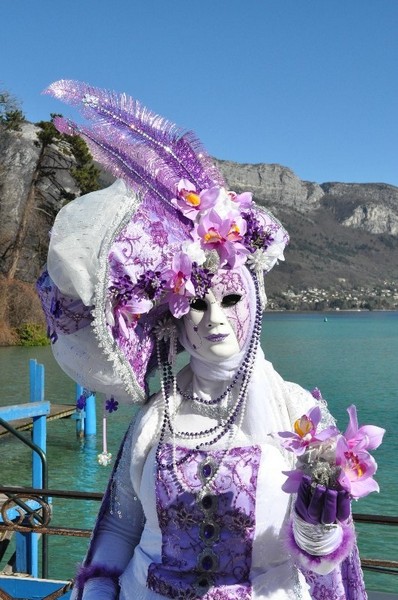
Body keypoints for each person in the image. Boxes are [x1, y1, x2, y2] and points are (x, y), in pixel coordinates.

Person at [37, 80, 369, 600]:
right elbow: (121, 527)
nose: (214, 318)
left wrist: (317, 527)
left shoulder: (300, 417)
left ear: (254, 303)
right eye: (197, 303)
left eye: (230, 301)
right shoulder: (153, 419)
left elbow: (327, 557)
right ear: (175, 314)